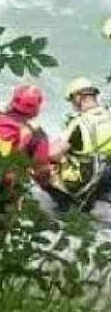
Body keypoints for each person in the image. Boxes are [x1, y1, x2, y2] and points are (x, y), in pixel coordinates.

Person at [45, 78, 111, 213]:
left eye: (71, 99)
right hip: (105, 177)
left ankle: (64, 206)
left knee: (41, 166)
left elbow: (53, 154)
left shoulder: (79, 123)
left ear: (78, 97)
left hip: (86, 181)